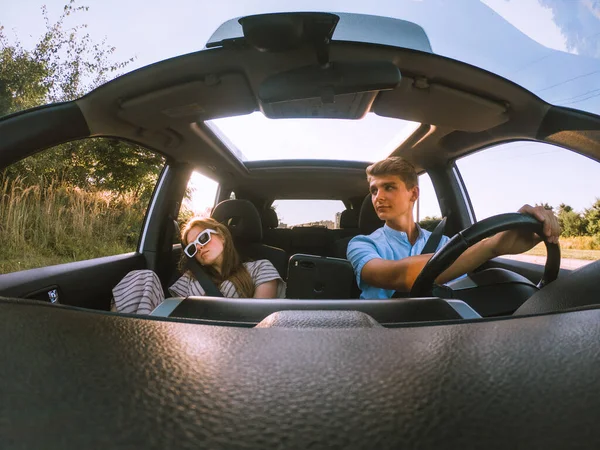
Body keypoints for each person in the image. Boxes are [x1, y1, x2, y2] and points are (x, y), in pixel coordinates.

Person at [347, 157, 560, 299]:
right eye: (374, 191)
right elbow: (399, 276)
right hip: (383, 333)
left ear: (413, 194)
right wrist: (491, 246)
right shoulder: (361, 245)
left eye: (389, 187)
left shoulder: (444, 243)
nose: (378, 197)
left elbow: (458, 295)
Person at [111, 217, 286, 314]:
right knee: (143, 276)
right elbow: (173, 312)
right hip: (184, 341)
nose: (199, 247)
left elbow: (260, 316)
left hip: (236, 342)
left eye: (203, 238)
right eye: (193, 247)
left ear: (222, 236)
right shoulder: (189, 278)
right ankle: (122, 337)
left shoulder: (259, 268)